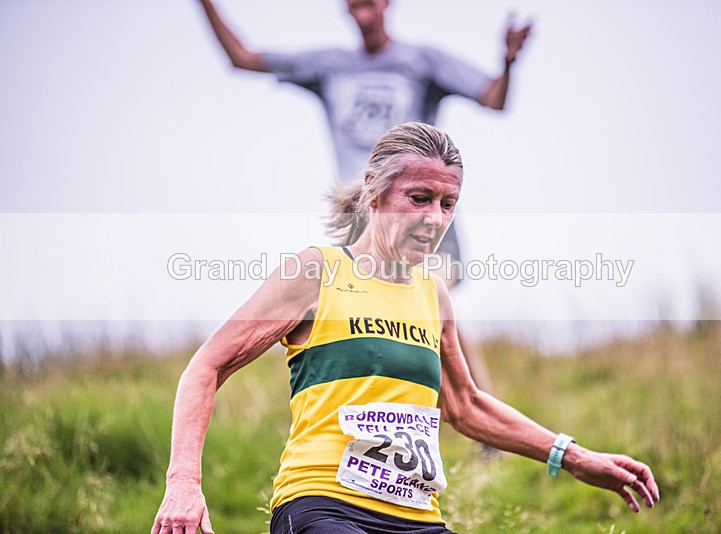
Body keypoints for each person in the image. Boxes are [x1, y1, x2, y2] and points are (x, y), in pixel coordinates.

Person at [151, 122, 660, 534]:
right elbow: (206, 366)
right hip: (323, 507)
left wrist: (572, 457)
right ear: (374, 191)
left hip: (417, 517)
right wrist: (183, 482)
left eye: (447, 203)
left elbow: (465, 405)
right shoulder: (317, 272)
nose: (435, 219)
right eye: (419, 198)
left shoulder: (432, 292)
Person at [196, 0, 531, 399]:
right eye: (354, 4)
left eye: (369, 2)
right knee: (374, 314)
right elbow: (243, 58)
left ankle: (473, 415)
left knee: (429, 301)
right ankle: (404, 414)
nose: (363, 11)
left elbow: (493, 98)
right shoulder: (330, 66)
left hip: (421, 214)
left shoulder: (421, 62)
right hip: (362, 217)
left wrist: (509, 62)